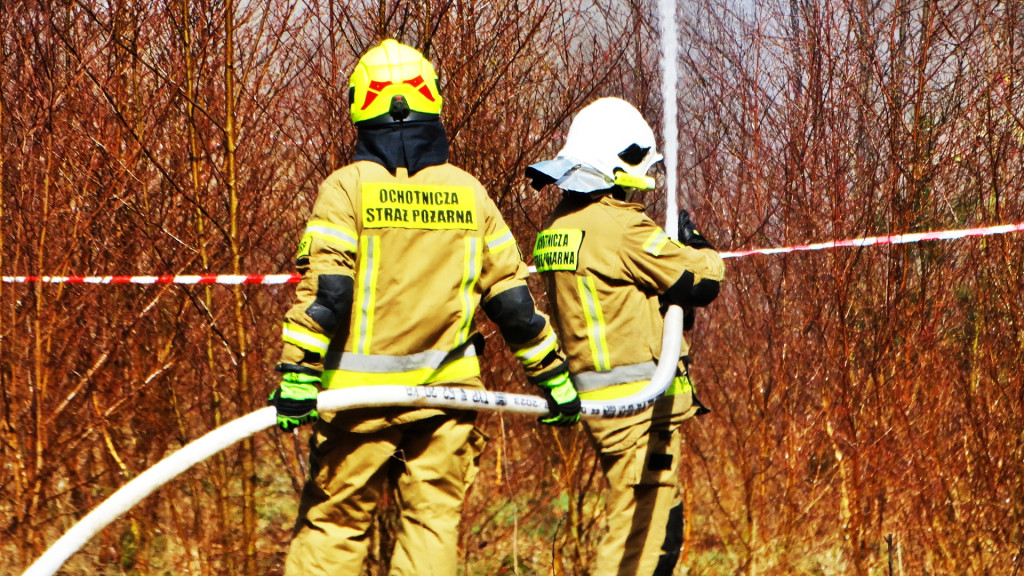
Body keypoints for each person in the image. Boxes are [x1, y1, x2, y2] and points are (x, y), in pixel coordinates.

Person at [268, 39, 581, 575]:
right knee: (432, 524)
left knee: (336, 526)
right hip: (447, 398)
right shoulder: (469, 193)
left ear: (360, 105)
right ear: (431, 101)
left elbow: (329, 295)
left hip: (356, 402)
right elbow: (512, 303)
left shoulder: (344, 190)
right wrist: (554, 378)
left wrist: (299, 372)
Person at [526, 97, 725, 576]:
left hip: (602, 402)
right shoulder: (619, 226)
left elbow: (617, 298)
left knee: (659, 525)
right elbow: (702, 280)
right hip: (638, 406)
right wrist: (699, 245)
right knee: (639, 538)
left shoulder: (559, 225)